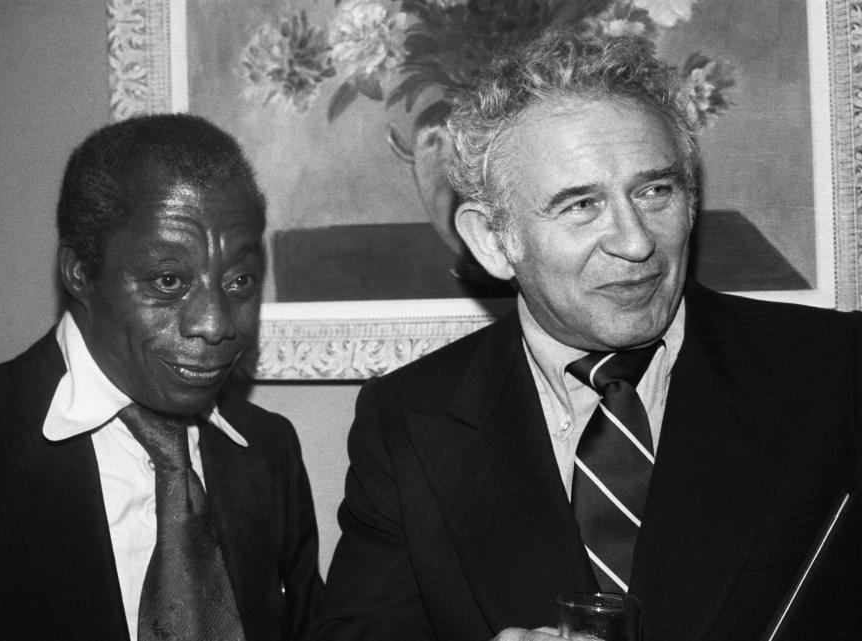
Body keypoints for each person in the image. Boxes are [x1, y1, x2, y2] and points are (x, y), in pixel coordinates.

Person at [312, 31, 862, 641]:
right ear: (493, 241)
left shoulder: (838, 372)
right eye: (580, 206)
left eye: (656, 191)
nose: (636, 241)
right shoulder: (408, 419)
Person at [0, 114, 323, 641]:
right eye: (169, 281)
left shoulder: (267, 450)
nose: (215, 324)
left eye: (239, 281)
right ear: (80, 272)